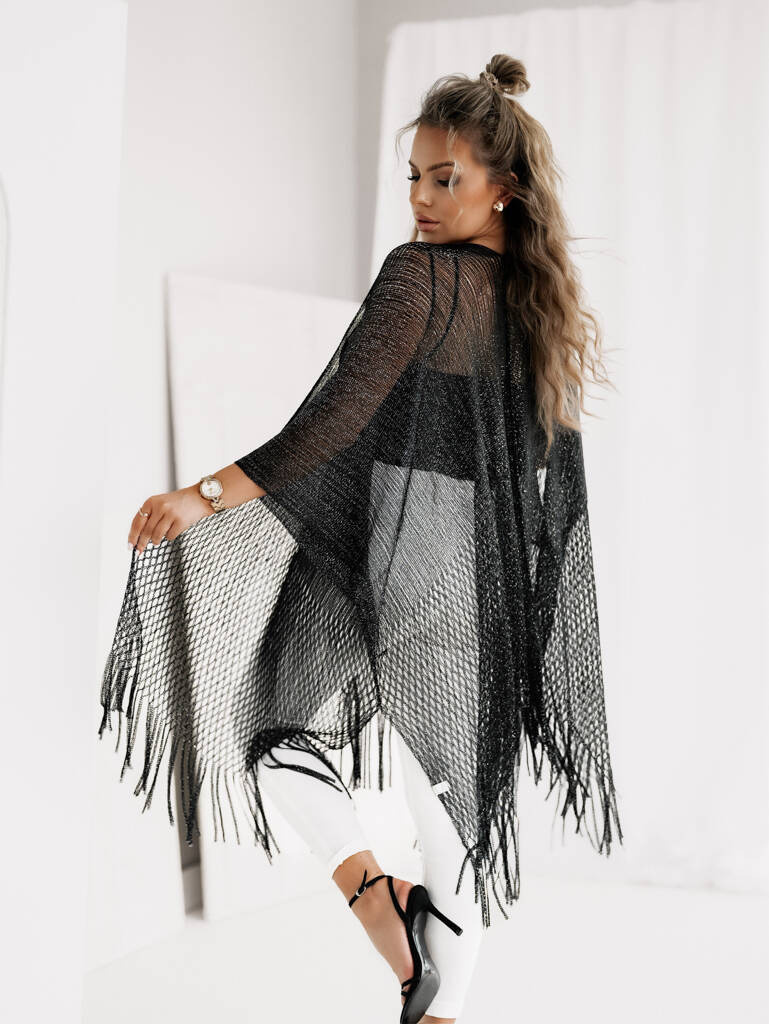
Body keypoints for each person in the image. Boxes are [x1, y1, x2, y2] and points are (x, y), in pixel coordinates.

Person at [102, 54, 623, 1024]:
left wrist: (204, 496)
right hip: (485, 580)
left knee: (273, 733)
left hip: (395, 558)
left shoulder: (420, 277)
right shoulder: (538, 304)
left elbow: (335, 420)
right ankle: (431, 992)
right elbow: (544, 483)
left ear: (503, 187)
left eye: (444, 178)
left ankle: (377, 905)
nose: (421, 199)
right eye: (414, 177)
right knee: (453, 824)